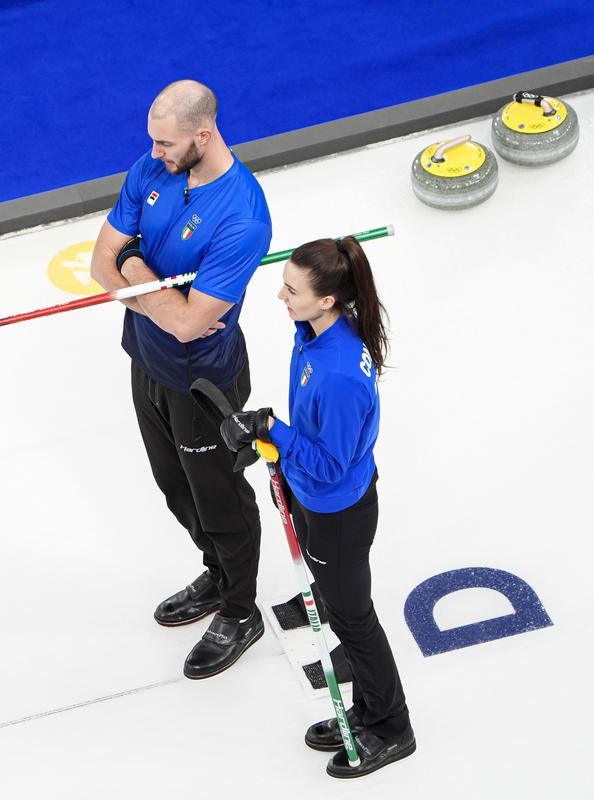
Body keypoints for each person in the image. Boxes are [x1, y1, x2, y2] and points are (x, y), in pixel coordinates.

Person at [88, 80, 272, 680]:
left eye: (166, 143)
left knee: (220, 499)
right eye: (153, 141)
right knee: (175, 488)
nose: (154, 152)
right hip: (146, 360)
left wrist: (134, 269)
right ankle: (218, 574)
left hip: (203, 381)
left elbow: (191, 326)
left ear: (204, 134)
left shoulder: (243, 216)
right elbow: (99, 264)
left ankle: (241, 609)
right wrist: (154, 296)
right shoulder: (152, 168)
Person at [220, 237, 415, 777]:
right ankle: (366, 710)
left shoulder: (340, 375)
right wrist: (278, 449)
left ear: (327, 300)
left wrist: (274, 430)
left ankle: (391, 726)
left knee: (354, 622)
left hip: (338, 513)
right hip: (313, 496)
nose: (280, 297)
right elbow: (313, 433)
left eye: (292, 290)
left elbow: (331, 463)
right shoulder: (312, 333)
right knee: (343, 611)